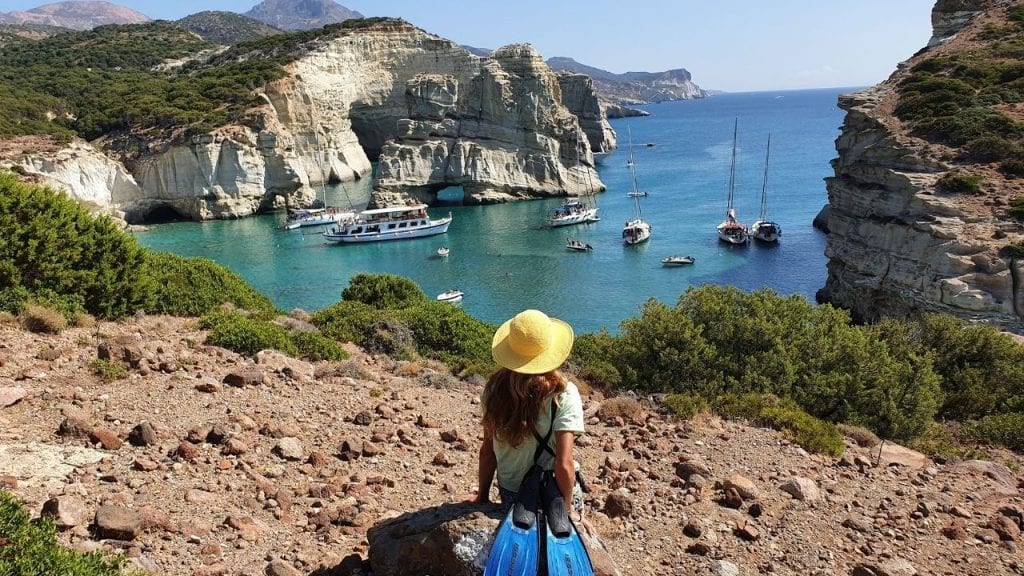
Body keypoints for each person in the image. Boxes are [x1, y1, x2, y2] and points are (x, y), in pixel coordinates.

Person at [472, 309, 586, 523]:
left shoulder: (493, 390)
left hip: (513, 496)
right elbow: (564, 463)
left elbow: (487, 452)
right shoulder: (564, 393)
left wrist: (482, 497)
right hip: (553, 495)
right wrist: (567, 511)